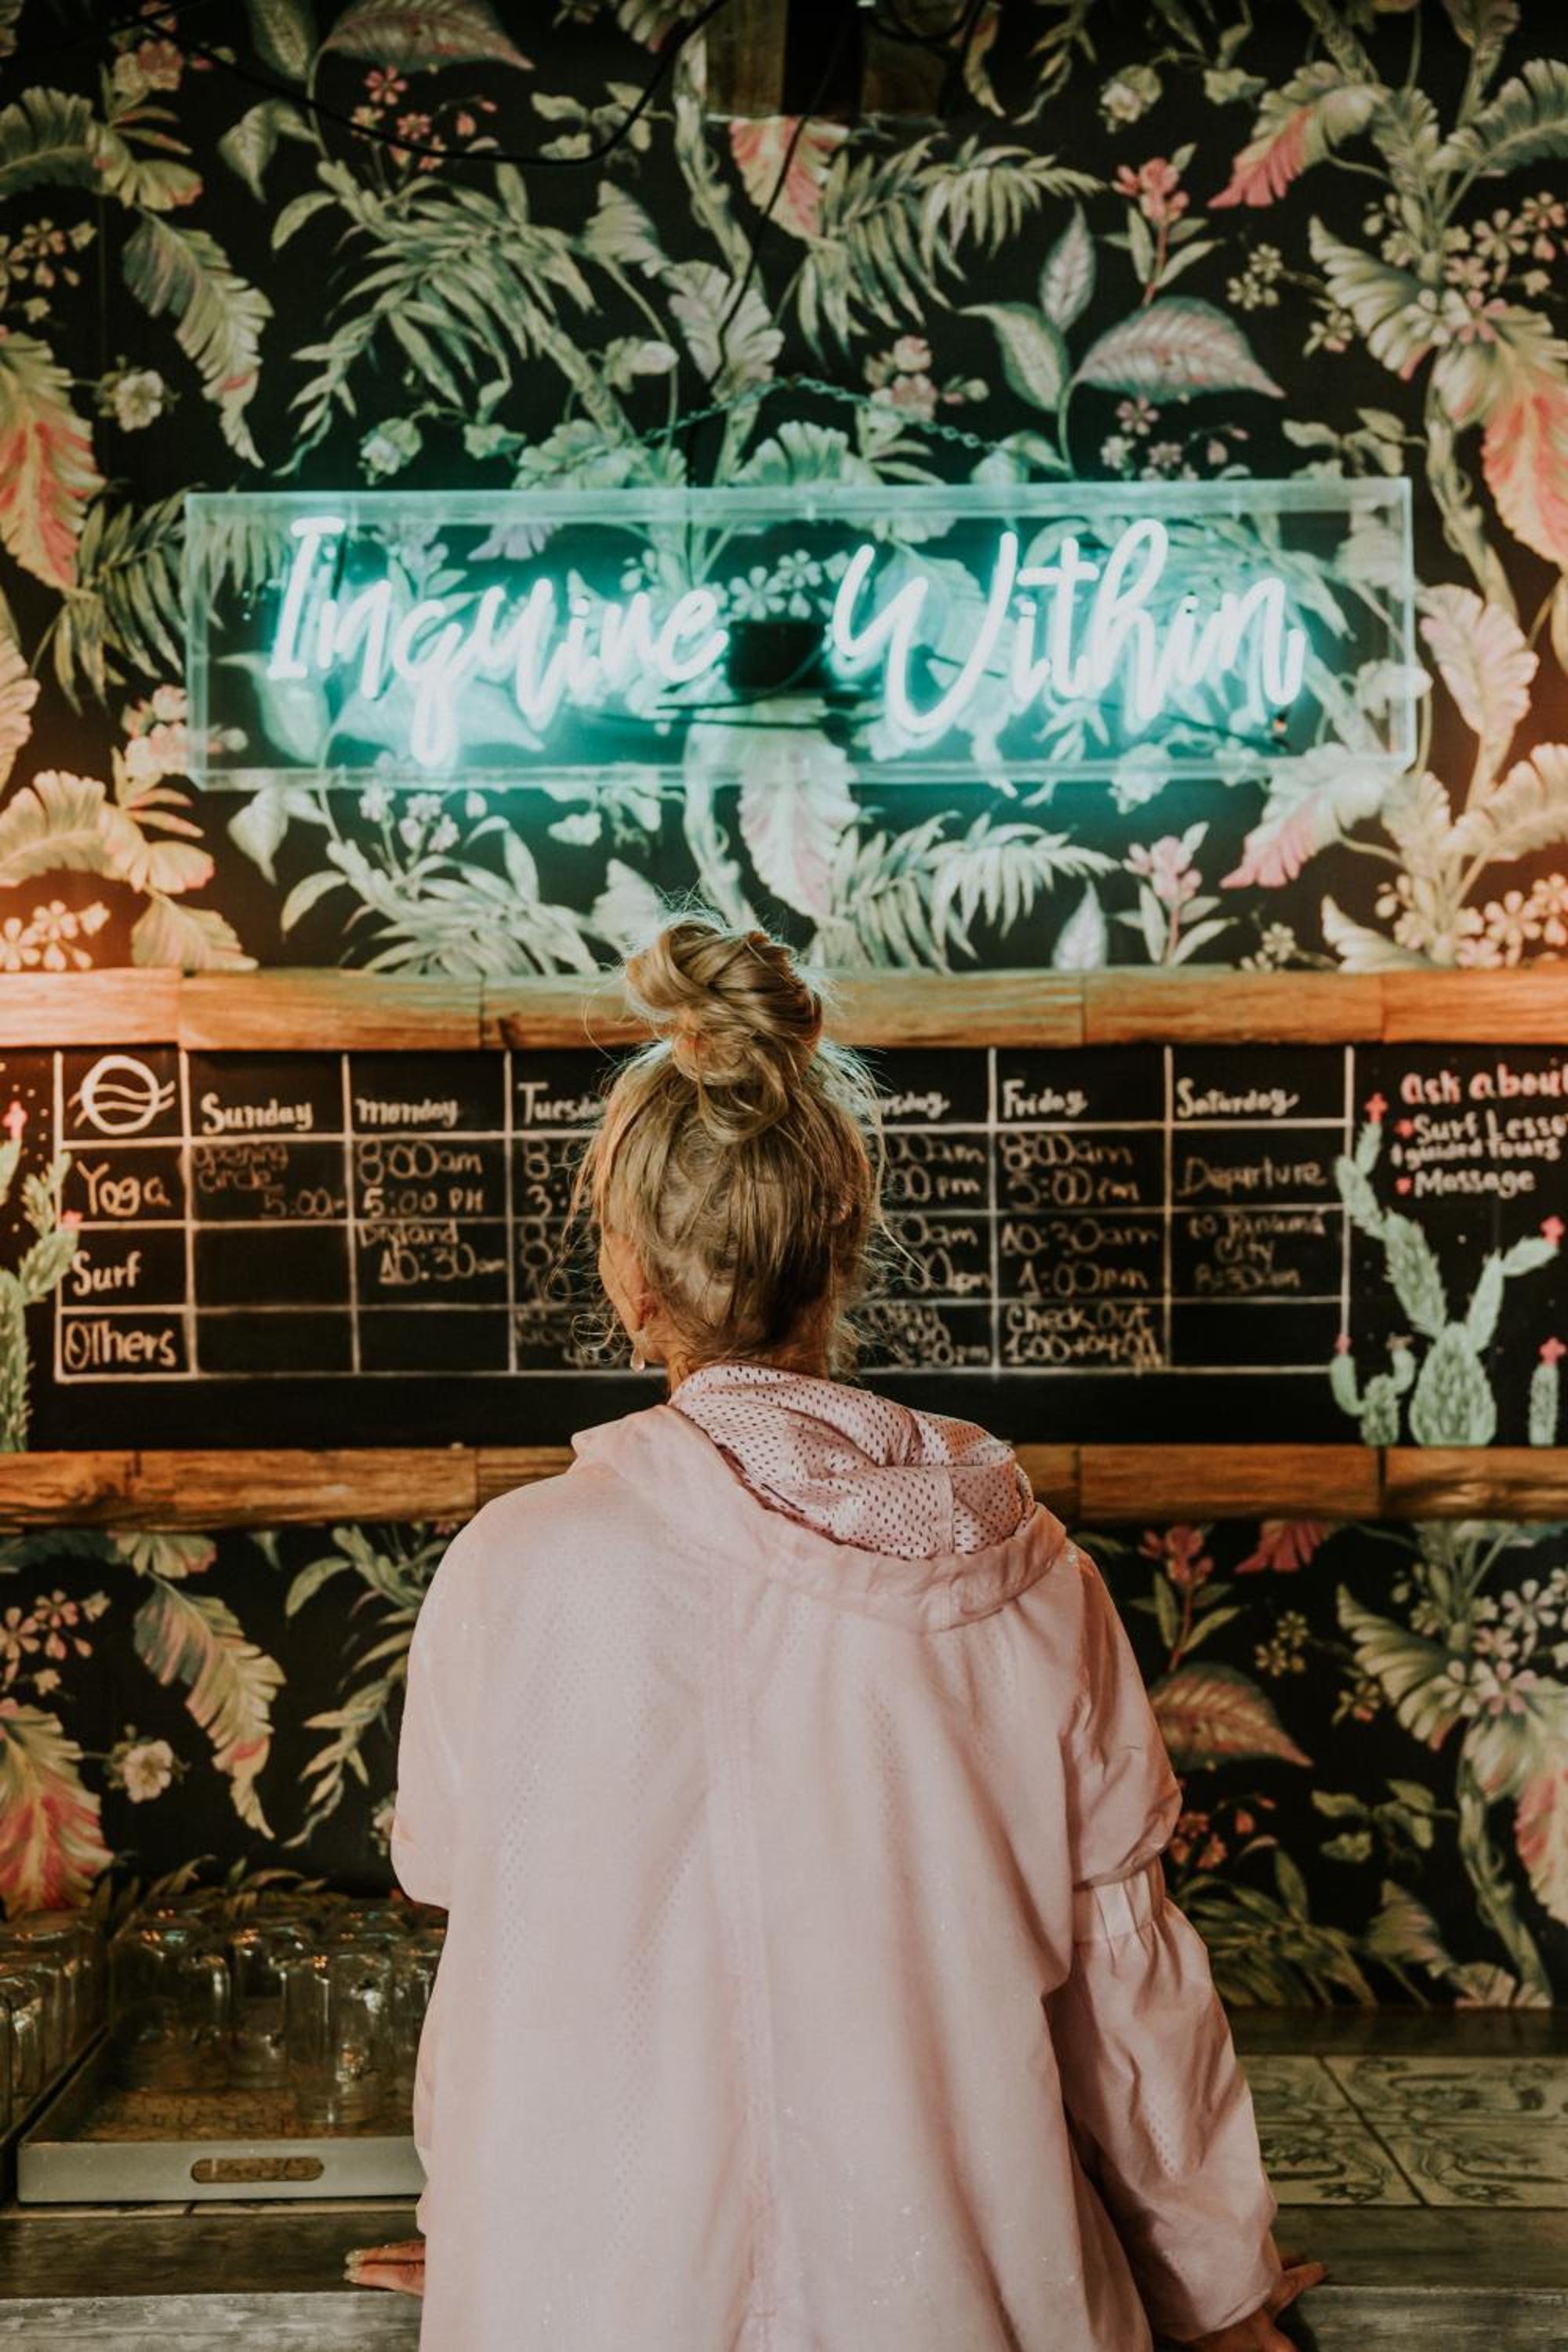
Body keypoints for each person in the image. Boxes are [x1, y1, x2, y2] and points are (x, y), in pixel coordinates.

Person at [351, 913, 1323, 2350]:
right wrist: (1220, 2288)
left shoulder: (512, 1569)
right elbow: (1129, 1989)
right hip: (964, 2306)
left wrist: (477, 2224)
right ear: (844, 1251)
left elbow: (483, 1947)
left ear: (630, 1281)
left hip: (585, 2306)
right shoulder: (1035, 1580)